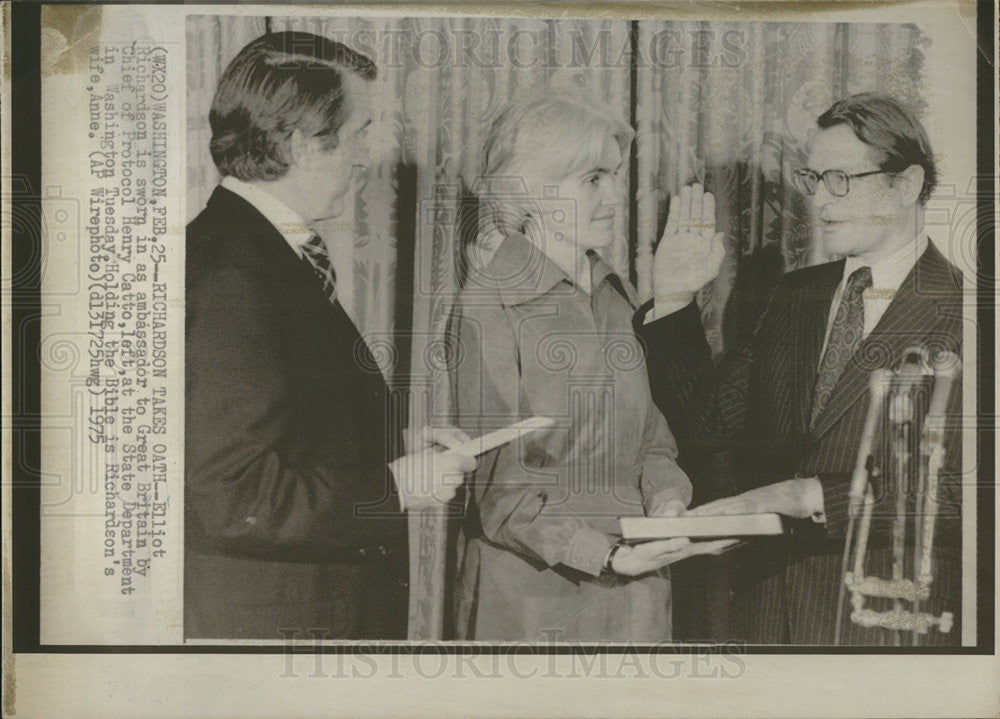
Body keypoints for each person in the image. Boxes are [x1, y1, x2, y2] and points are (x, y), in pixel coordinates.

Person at [638, 92, 963, 645]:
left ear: (906, 184)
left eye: (842, 179)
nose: (820, 200)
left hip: (886, 629)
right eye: (815, 178)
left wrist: (810, 495)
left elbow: (971, 488)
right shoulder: (796, 295)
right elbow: (707, 424)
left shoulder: (970, 307)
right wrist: (672, 298)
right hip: (766, 620)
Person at [185, 32, 475, 640]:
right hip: (279, 635)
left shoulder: (255, 251)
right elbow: (233, 495)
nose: (366, 156)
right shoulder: (232, 271)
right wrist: (399, 485)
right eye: (359, 132)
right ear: (302, 144)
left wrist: (388, 438)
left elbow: (275, 424)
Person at [450, 96, 733, 642]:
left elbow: (653, 441)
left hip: (638, 591)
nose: (614, 197)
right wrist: (606, 555)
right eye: (593, 179)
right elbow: (500, 497)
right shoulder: (488, 305)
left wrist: (668, 501)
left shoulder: (619, 294)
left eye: (616, 176)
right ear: (533, 191)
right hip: (532, 599)